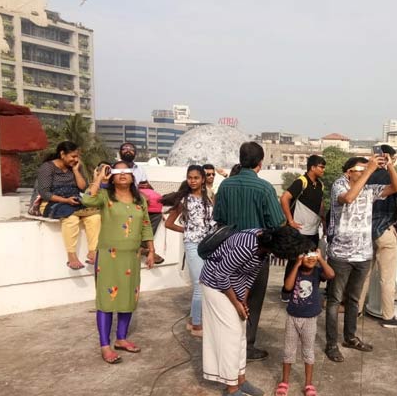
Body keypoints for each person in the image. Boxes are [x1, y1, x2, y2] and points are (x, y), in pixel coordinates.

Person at [199, 226, 312, 396]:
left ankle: (240, 379)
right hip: (214, 286)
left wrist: (243, 300)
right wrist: (235, 303)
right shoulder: (247, 245)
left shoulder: (264, 248)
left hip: (232, 288)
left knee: (241, 333)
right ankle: (231, 390)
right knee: (231, 336)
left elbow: (250, 276)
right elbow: (221, 274)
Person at [324, 154, 397, 363]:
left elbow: (396, 188)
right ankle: (331, 344)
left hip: (363, 254)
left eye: (365, 169)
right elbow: (348, 198)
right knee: (334, 300)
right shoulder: (339, 186)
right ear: (348, 173)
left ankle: (350, 337)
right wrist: (369, 169)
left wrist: (390, 167)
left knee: (354, 299)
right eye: (359, 170)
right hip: (341, 254)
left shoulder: (369, 189)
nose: (364, 172)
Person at [212, 142, 285, 361]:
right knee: (252, 300)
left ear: (240, 159)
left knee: (229, 298)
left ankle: (229, 343)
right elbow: (277, 221)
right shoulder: (264, 188)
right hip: (256, 252)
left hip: (229, 250)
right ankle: (247, 345)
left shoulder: (226, 186)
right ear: (260, 163)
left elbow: (218, 218)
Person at [82, 160, 156, 364]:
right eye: (117, 171)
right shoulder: (105, 197)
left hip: (131, 258)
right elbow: (87, 201)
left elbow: (146, 225)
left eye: (127, 171)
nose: (122, 174)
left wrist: (151, 249)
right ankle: (105, 345)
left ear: (133, 176)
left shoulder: (140, 199)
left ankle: (121, 339)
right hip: (108, 258)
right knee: (106, 301)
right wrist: (98, 178)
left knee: (128, 298)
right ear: (112, 176)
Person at [357, 145, 397, 327]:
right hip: (384, 230)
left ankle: (356, 311)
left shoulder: (364, 176)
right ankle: (388, 316)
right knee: (387, 278)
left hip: (364, 231)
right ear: (392, 159)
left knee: (363, 275)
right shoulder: (394, 177)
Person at [276, 249, 335, 396]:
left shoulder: (317, 272)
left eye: (312, 256)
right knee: (289, 350)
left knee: (308, 351)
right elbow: (288, 287)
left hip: (310, 318)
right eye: (306, 256)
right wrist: (297, 263)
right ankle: (284, 381)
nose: (309, 259)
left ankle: (308, 384)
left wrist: (321, 259)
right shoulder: (296, 271)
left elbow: (331, 275)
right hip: (292, 317)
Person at [165, 165, 215, 337]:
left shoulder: (209, 198)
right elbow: (168, 223)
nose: (192, 181)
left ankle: (194, 318)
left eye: (196, 178)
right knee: (199, 284)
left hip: (208, 245)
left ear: (202, 179)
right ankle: (196, 325)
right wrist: (187, 231)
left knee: (208, 283)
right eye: (190, 178)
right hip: (193, 245)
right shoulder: (183, 201)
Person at [35, 141, 101, 270]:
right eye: (73, 156)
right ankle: (72, 256)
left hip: (74, 201)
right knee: (71, 218)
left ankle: (93, 252)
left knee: (95, 218)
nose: (76, 159)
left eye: (77, 156)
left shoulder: (75, 166)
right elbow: (44, 193)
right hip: (52, 203)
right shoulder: (47, 167)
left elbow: (82, 187)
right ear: (62, 154)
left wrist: (76, 171)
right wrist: (65, 201)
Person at [279, 154, 327, 302]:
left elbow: (320, 205)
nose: (323, 170)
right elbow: (284, 198)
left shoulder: (320, 185)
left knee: (309, 260)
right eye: (321, 167)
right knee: (294, 261)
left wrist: (323, 221)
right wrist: (290, 220)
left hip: (312, 230)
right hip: (298, 230)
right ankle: (286, 292)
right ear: (312, 167)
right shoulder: (301, 181)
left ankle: (302, 288)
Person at [118, 141, 164, 265]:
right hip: (121, 201)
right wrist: (138, 192)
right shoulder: (117, 168)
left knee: (156, 215)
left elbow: (145, 187)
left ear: (135, 153)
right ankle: (147, 249)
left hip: (138, 201)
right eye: (125, 149)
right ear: (120, 152)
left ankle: (143, 247)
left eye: (131, 149)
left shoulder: (139, 169)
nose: (128, 151)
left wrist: (149, 187)